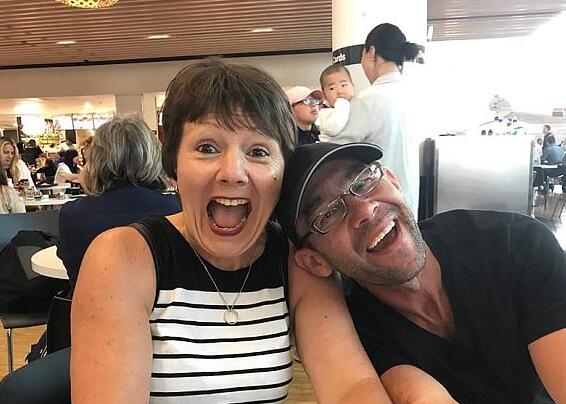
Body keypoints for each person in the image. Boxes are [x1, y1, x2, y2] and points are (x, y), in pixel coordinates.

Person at [71, 60, 389, 403]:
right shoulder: (124, 258)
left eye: (258, 152)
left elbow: (352, 386)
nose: (233, 173)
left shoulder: (296, 261)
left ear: (283, 172)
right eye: (207, 147)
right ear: (173, 163)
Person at [277, 141, 566, 404]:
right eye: (328, 214)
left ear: (393, 181)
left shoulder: (516, 245)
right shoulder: (357, 333)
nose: (365, 209)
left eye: (364, 181)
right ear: (315, 262)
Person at [57, 115, 181, 291]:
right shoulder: (178, 209)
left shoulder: (72, 214)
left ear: (95, 159)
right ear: (154, 156)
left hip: (93, 305)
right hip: (164, 308)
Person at [329, 23, 421, 217]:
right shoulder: (413, 95)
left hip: (378, 204)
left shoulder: (369, 99)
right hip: (409, 201)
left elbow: (340, 152)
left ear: (371, 52)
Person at [317, 64, 355, 142]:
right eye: (332, 88)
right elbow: (334, 128)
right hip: (333, 148)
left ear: (353, 86)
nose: (340, 91)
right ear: (324, 95)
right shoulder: (324, 113)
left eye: (343, 85)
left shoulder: (359, 106)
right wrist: (342, 102)